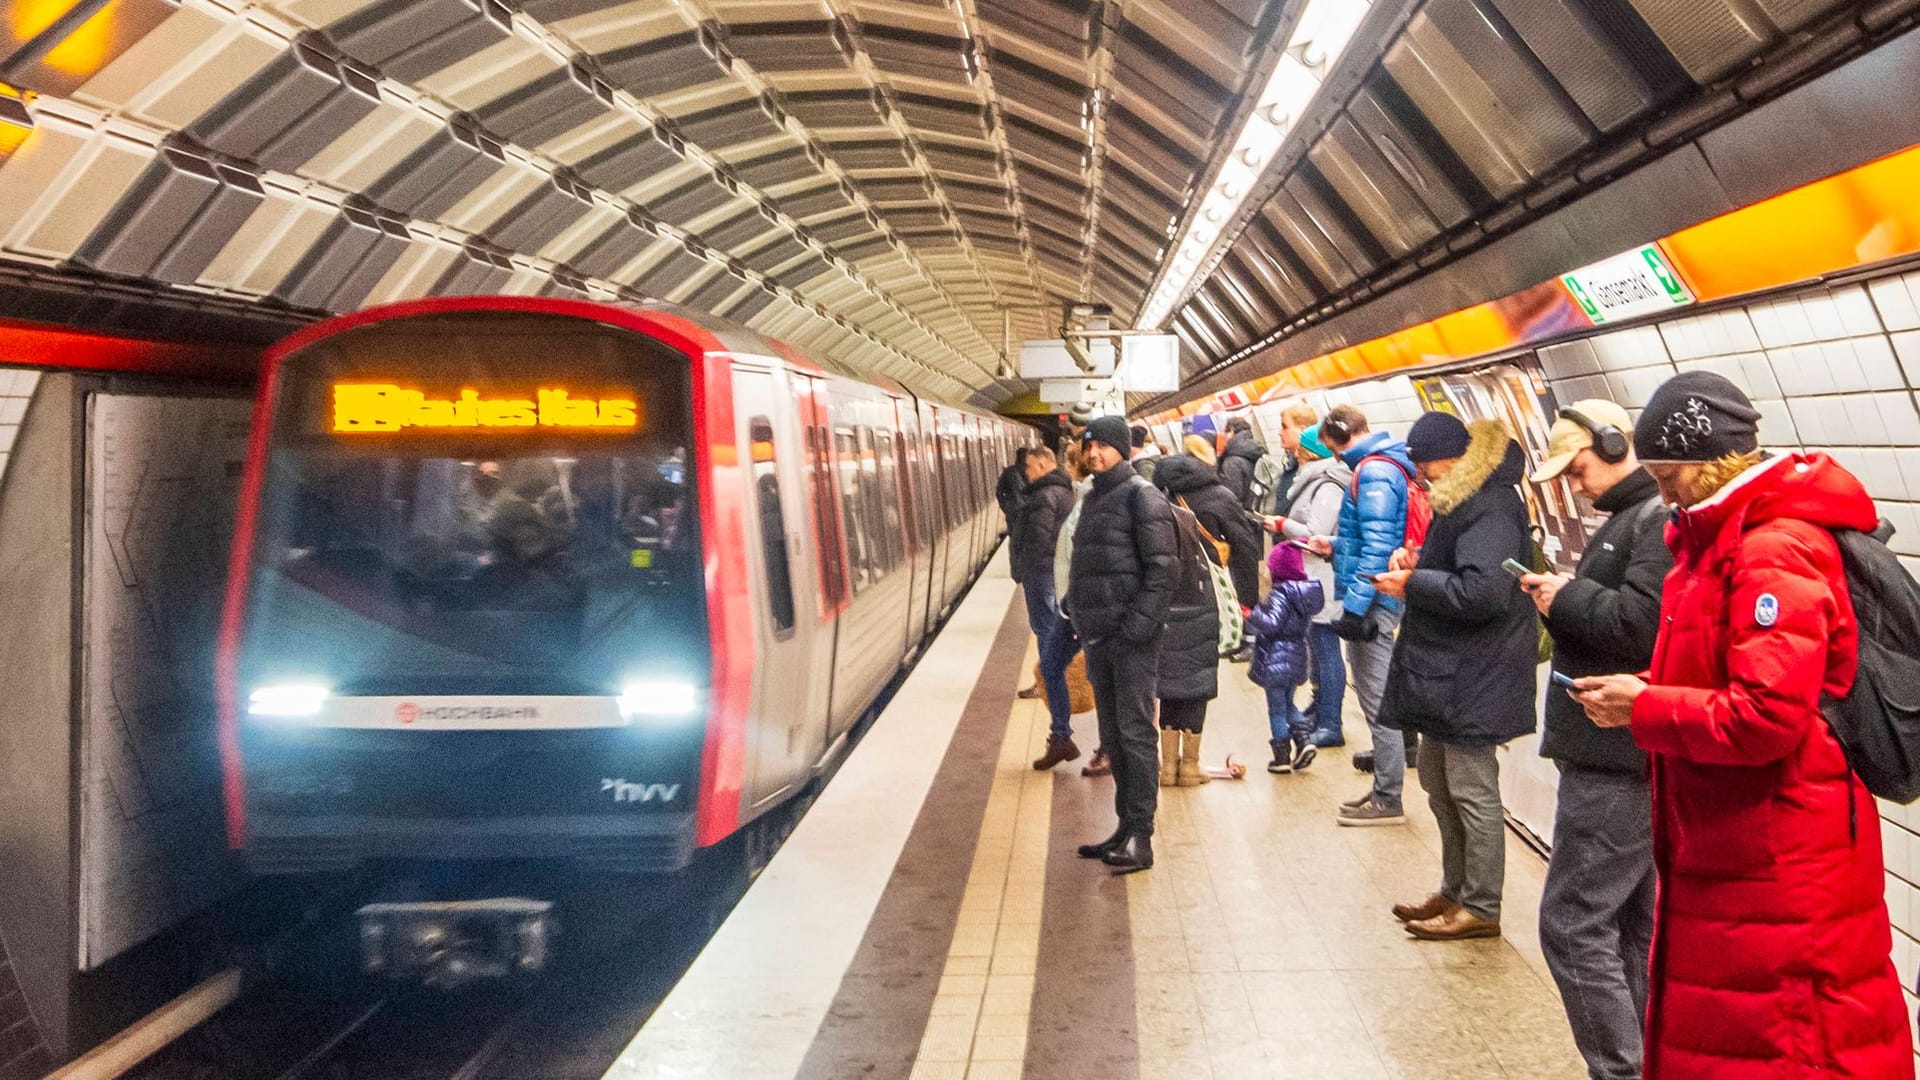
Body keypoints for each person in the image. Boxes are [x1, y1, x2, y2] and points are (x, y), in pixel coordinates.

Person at [1572, 372, 1914, 1078]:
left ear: (1711, 461)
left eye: (1669, 476)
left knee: (1788, 1041)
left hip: (1781, 856)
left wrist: (1644, 707)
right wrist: (1649, 692)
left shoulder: (1772, 551)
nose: (1662, 494)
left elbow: (1766, 717)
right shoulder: (1713, 543)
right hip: (1736, 847)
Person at [1520, 399, 1670, 1080]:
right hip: (1616, 754)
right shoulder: (1628, 522)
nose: (1574, 485)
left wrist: (1564, 600)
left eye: (1577, 469)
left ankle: (1619, 1070)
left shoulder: (1652, 523)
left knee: (1573, 926)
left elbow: (1642, 628)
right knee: (1631, 927)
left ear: (1613, 444)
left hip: (1618, 759)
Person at [1371, 413, 1537, 941]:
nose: (1423, 476)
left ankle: (1481, 905)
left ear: (1456, 457)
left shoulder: (1491, 504)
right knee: (1438, 783)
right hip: (1450, 669)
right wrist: (1419, 561)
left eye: (1426, 466)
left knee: (1471, 789)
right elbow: (1462, 569)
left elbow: (1483, 592)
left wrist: (1413, 582)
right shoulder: (1465, 497)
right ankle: (1455, 888)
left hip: (1476, 671)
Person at [1067, 415, 1177, 873]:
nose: (1095, 454)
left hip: (1130, 640)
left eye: (1104, 447)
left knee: (1134, 735)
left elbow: (1162, 570)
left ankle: (1143, 838)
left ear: (1122, 450)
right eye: (1089, 447)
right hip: (1099, 637)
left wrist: (1135, 628)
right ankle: (1123, 827)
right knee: (1112, 736)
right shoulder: (1096, 497)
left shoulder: (1141, 496)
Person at [1308, 405, 1415, 825]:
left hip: (1375, 601)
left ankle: (1388, 798)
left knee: (1378, 702)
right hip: (1375, 594)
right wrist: (1334, 545)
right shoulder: (1378, 467)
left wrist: (1354, 608)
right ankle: (1383, 788)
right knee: (1376, 697)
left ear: (1339, 433)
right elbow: (1366, 538)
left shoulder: (1373, 473)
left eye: (1332, 448)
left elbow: (1376, 545)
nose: (1333, 457)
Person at [1268, 423, 1350, 748]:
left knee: (1327, 650)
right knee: (1319, 649)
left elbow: (1316, 531)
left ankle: (1331, 723)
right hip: (1313, 578)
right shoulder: (1317, 480)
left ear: (1308, 452)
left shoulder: (1327, 486)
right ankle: (1321, 711)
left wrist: (1281, 524)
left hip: (1324, 579)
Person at [1011, 446, 1082, 770]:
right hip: (1071, 589)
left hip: (1052, 579)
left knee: (1048, 640)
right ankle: (1061, 736)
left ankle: (1064, 733)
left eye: (1029, 466)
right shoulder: (1069, 493)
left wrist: (1026, 568)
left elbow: (1039, 539)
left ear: (1043, 463)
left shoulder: (1044, 496)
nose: (1026, 472)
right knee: (1054, 657)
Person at [1155, 501, 1223, 787]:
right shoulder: (1197, 547)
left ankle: (1168, 767)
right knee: (1195, 691)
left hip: (1165, 619)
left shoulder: (1154, 548)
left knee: (1169, 690)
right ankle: (1190, 766)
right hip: (1199, 620)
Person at [1149, 452, 1261, 620]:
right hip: (1214, 584)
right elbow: (1245, 549)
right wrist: (1248, 600)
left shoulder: (1156, 499)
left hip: (1171, 588)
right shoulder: (1221, 495)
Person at [1054, 443, 1109, 778]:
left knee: (1103, 682)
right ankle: (1061, 736)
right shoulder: (1082, 501)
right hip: (1076, 606)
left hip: (1084, 608)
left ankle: (1071, 738)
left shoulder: (1092, 504)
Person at [1247, 541, 1323, 774]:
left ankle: (1281, 758)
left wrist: (1253, 614)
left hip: (1275, 659)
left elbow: (1271, 624)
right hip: (1297, 656)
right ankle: (1304, 740)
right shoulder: (1304, 594)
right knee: (1289, 704)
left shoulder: (1281, 594)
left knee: (1277, 709)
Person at [1218, 416, 1268, 509]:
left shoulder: (1232, 461)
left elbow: (1231, 498)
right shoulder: (1256, 449)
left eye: (1225, 432)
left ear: (1232, 431)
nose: (1224, 436)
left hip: (1243, 513)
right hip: (1258, 508)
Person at [996, 446, 1029, 529]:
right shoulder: (1031, 471)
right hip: (1026, 511)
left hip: (1012, 512)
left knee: (1015, 537)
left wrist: (1005, 507)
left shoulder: (1008, 472)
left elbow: (999, 492)